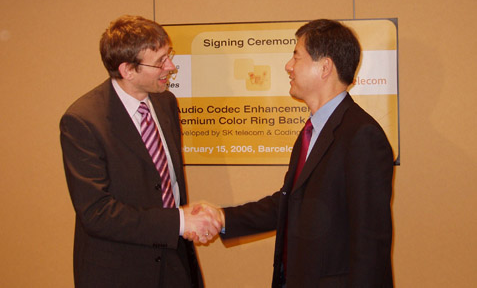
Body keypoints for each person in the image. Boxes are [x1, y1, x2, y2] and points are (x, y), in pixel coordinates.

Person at [193, 19, 395, 287]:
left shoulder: (361, 135)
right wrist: (223, 218)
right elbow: (289, 203)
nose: (288, 66)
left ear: (325, 67)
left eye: (296, 56)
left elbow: (371, 240)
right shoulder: (312, 131)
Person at [60, 15, 220, 288]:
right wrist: (179, 222)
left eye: (169, 55)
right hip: (120, 270)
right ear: (127, 70)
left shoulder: (166, 101)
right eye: (160, 61)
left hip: (174, 261)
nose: (170, 66)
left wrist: (186, 215)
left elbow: (161, 183)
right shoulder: (83, 121)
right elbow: (97, 213)